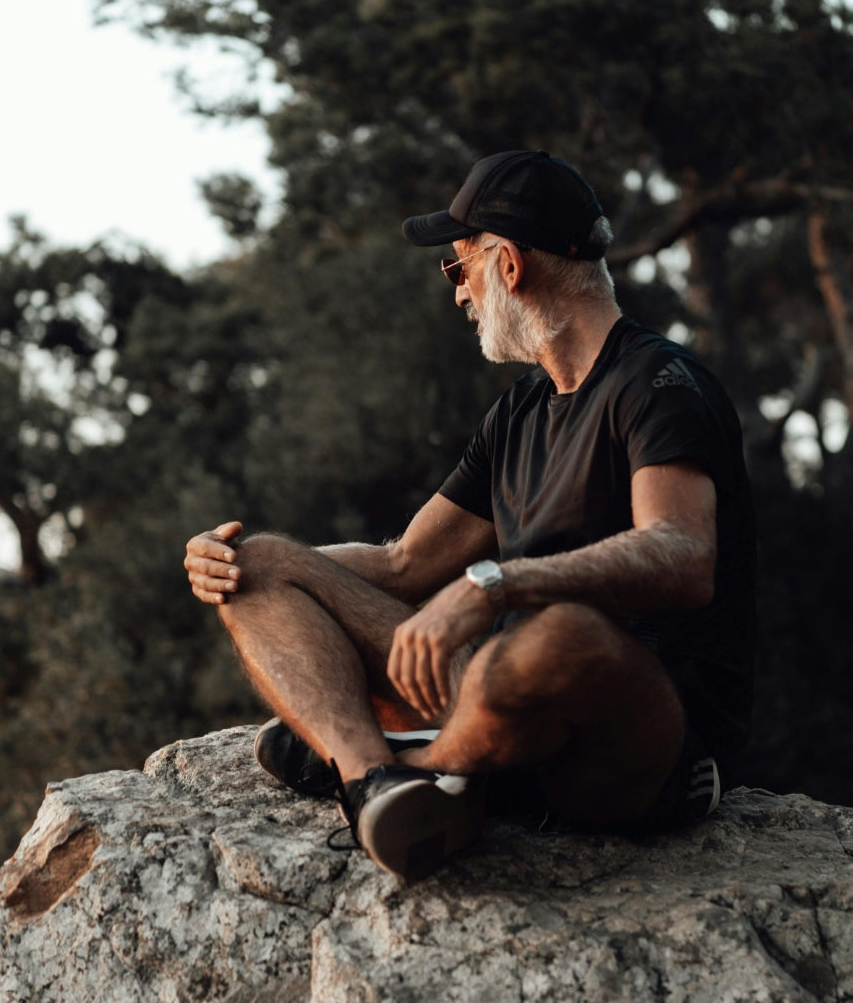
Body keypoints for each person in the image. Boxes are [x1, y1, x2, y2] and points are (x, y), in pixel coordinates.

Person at [184, 149, 756, 882]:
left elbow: (683, 554)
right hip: (504, 697)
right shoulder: (519, 410)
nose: (457, 294)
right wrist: (246, 566)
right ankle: (378, 784)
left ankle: (426, 761)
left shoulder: (659, 385)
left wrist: (494, 583)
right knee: (261, 559)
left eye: (460, 269)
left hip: (638, 737)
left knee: (562, 633)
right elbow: (405, 564)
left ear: (510, 266)